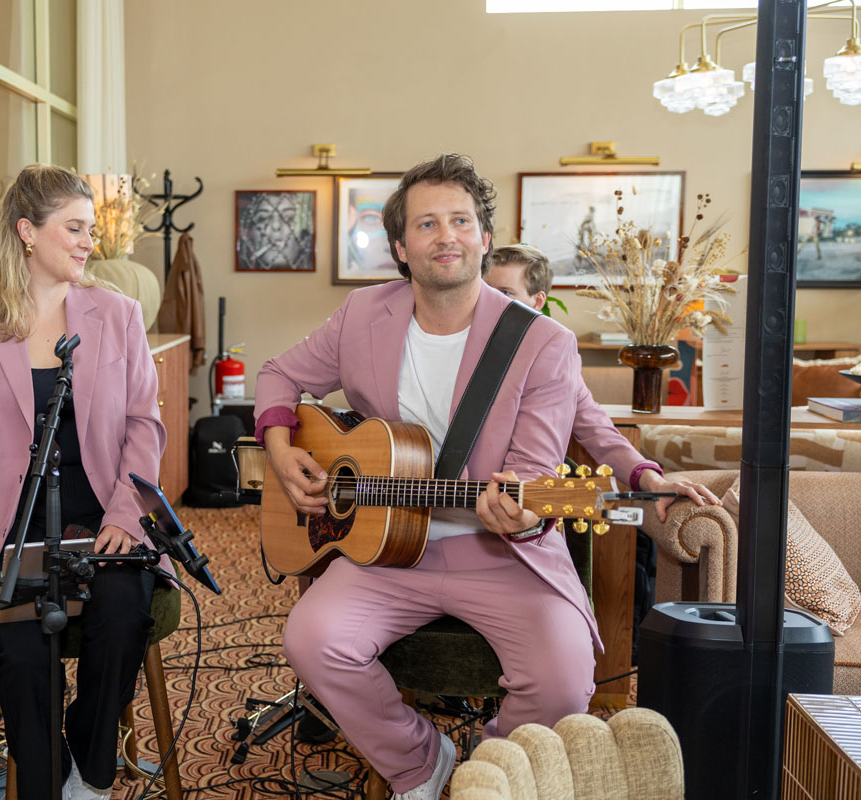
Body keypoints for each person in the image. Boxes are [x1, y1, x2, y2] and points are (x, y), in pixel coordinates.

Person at [254, 155, 715, 800]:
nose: (447, 235)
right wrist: (278, 444)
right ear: (400, 247)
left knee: (562, 678)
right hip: (387, 550)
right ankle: (423, 766)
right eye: (427, 224)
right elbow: (279, 373)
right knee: (310, 638)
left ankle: (491, 773)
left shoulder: (541, 342)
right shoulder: (362, 315)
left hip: (499, 552)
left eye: (461, 220)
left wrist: (531, 510)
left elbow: (533, 472)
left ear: (485, 236)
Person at [0, 164, 167, 800]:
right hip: (14, 535)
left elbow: (144, 425)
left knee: (124, 611)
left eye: (91, 229)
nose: (90, 242)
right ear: (28, 232)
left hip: (108, 523)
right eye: (75, 228)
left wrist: (123, 519)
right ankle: (48, 781)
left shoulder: (118, 314)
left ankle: (91, 769)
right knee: (27, 660)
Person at [482, 243, 718, 521]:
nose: (491, 303)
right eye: (486, 292)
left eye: (505, 293)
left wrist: (653, 481)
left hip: (509, 511)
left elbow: (597, 429)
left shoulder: (550, 361)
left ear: (538, 301)